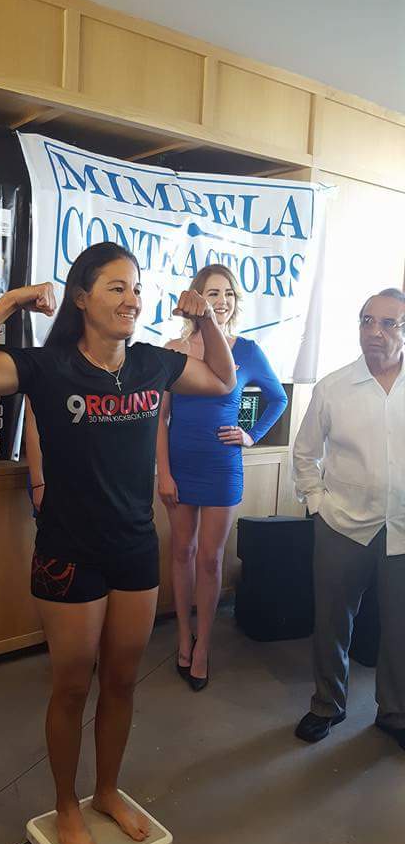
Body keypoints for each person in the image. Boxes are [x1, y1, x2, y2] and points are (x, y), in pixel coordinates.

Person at [0, 242, 237, 844]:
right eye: (116, 287)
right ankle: (67, 804)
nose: (132, 299)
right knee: (72, 686)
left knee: (121, 681)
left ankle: (107, 791)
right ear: (80, 298)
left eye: (136, 288)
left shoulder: (153, 364)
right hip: (69, 550)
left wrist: (205, 317)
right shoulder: (47, 367)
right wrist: (12, 301)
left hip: (133, 547)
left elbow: (223, 381)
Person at [156, 264, 287, 690]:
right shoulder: (173, 349)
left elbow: (278, 399)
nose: (222, 301)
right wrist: (164, 473)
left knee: (211, 559)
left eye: (228, 293)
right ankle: (183, 637)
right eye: (213, 293)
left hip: (222, 467)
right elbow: (160, 419)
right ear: (197, 300)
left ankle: (203, 647)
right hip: (180, 466)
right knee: (182, 552)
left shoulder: (246, 350)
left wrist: (251, 435)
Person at [293, 288, 405, 749]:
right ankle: (327, 704)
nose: (374, 332)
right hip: (342, 525)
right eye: (367, 321)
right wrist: (318, 504)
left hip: (402, 530)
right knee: (332, 621)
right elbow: (305, 454)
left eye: (388, 323)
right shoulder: (333, 387)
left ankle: (395, 711)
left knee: (400, 627)